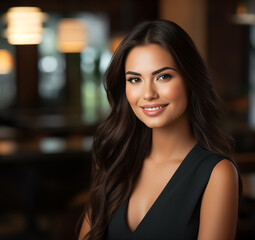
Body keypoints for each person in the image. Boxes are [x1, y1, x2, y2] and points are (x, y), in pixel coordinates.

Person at [78, 19, 240, 240]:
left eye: (163, 76)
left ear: (190, 80)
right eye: (135, 79)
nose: (148, 94)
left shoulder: (217, 174)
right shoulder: (113, 161)